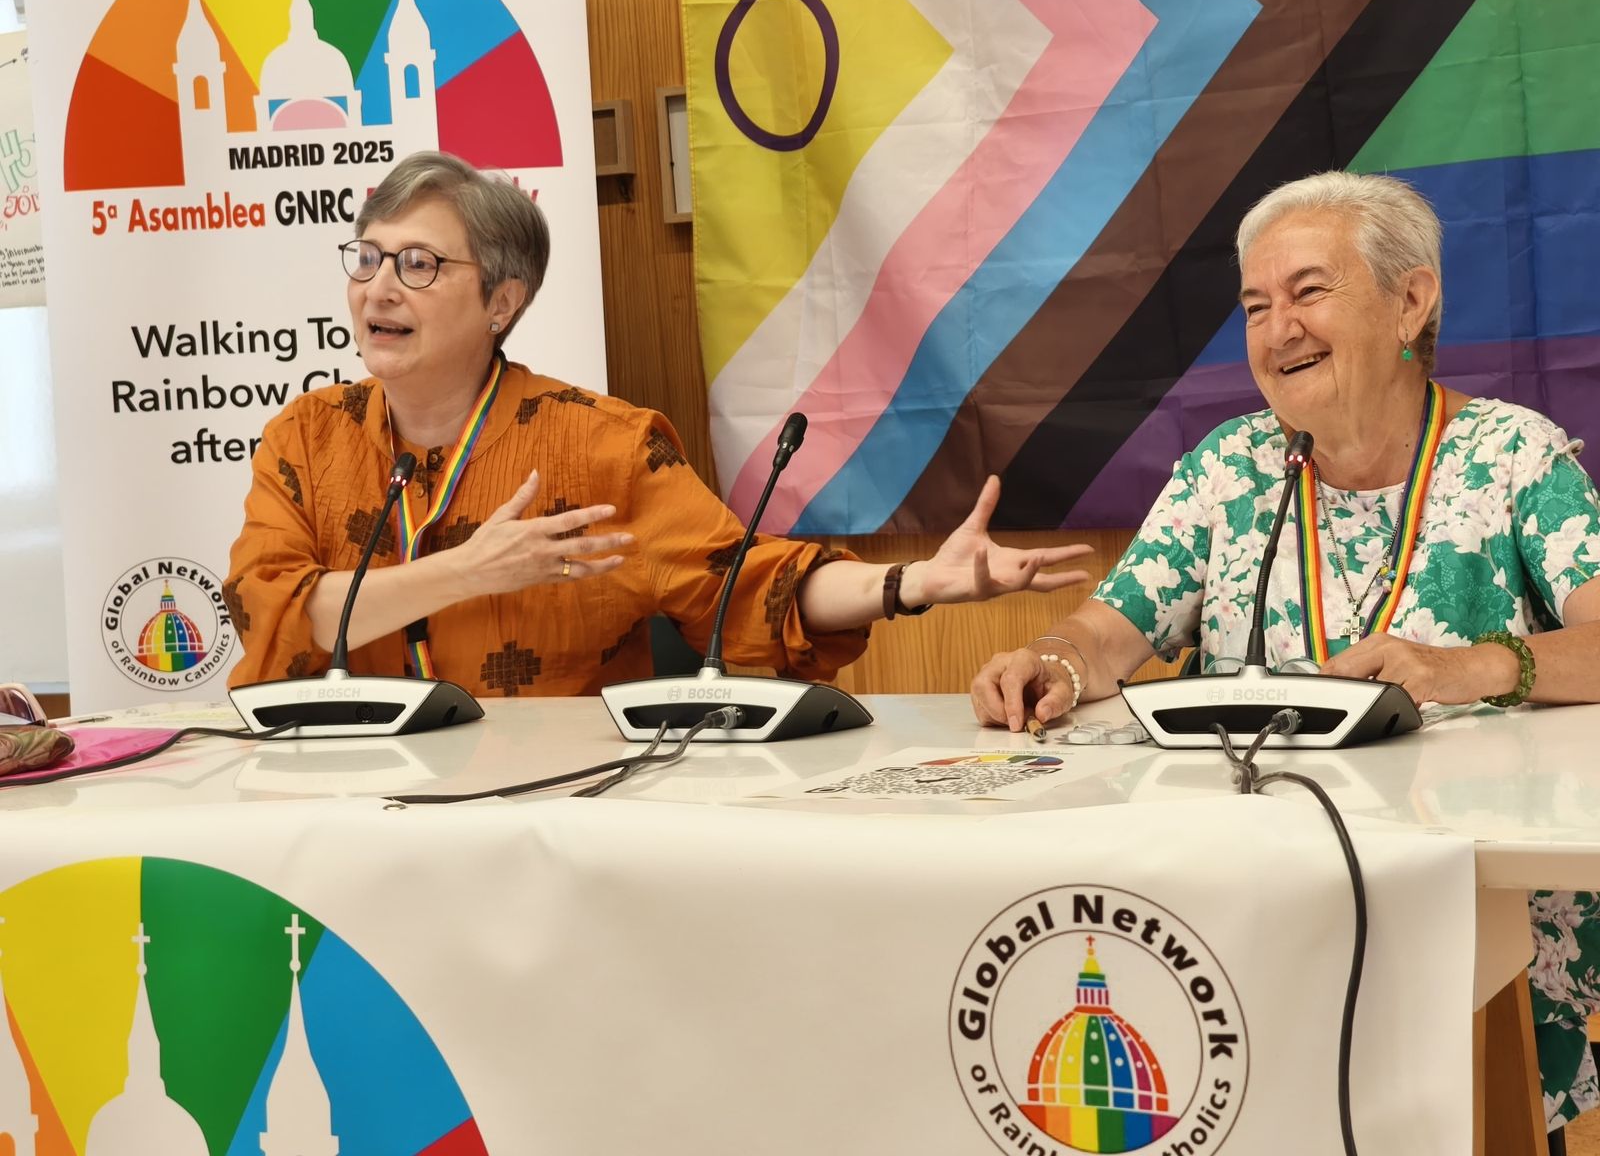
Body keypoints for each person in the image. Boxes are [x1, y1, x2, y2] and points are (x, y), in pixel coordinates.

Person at [969, 170, 1600, 1144]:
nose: (1278, 331)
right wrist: (1049, 661)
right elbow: (1103, 634)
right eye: (1256, 307)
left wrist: (1466, 668)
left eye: (1308, 292)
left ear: (1410, 301)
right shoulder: (1230, 469)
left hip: (1456, 893)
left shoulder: (1510, 457)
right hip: (1243, 895)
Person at [226, 150, 1088, 698]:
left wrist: (910, 584)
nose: (378, 288)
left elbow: (743, 583)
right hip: (347, 802)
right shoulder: (307, 438)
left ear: (501, 302)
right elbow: (272, 611)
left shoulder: (599, 445)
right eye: (367, 259)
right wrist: (466, 572)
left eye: (417, 264)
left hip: (549, 812)